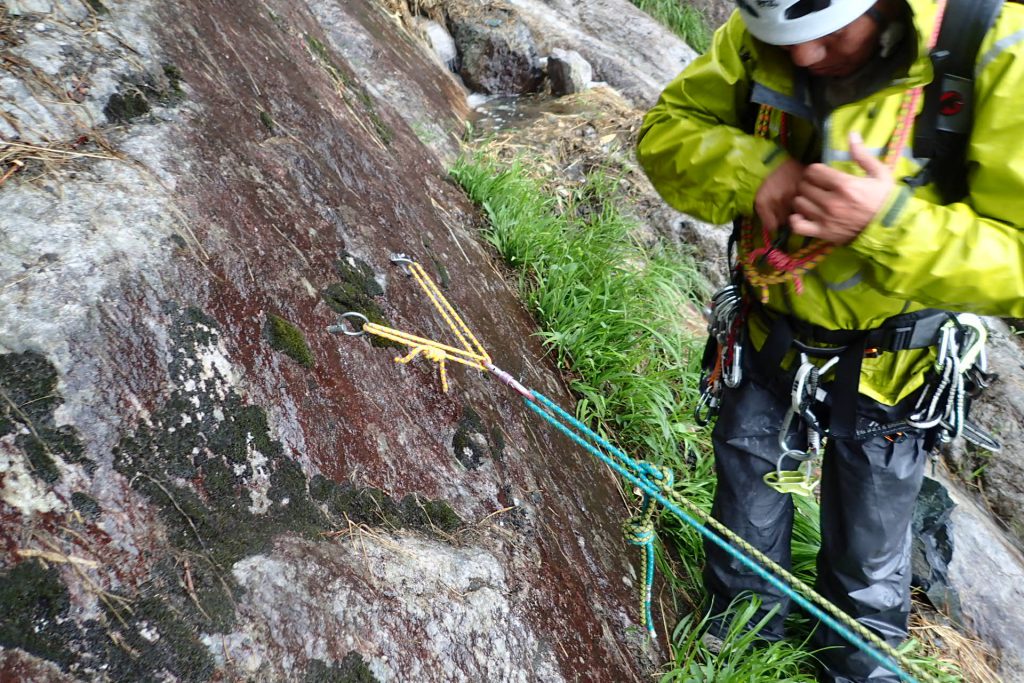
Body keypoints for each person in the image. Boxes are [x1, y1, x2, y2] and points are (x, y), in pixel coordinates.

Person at [637, 0, 1024, 681]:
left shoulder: (991, 48)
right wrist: (754, 171)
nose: (807, 58)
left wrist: (888, 223)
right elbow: (666, 133)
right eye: (787, 42)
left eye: (829, 36)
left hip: (897, 372)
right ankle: (742, 659)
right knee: (743, 540)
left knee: (868, 571)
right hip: (769, 343)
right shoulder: (764, 34)